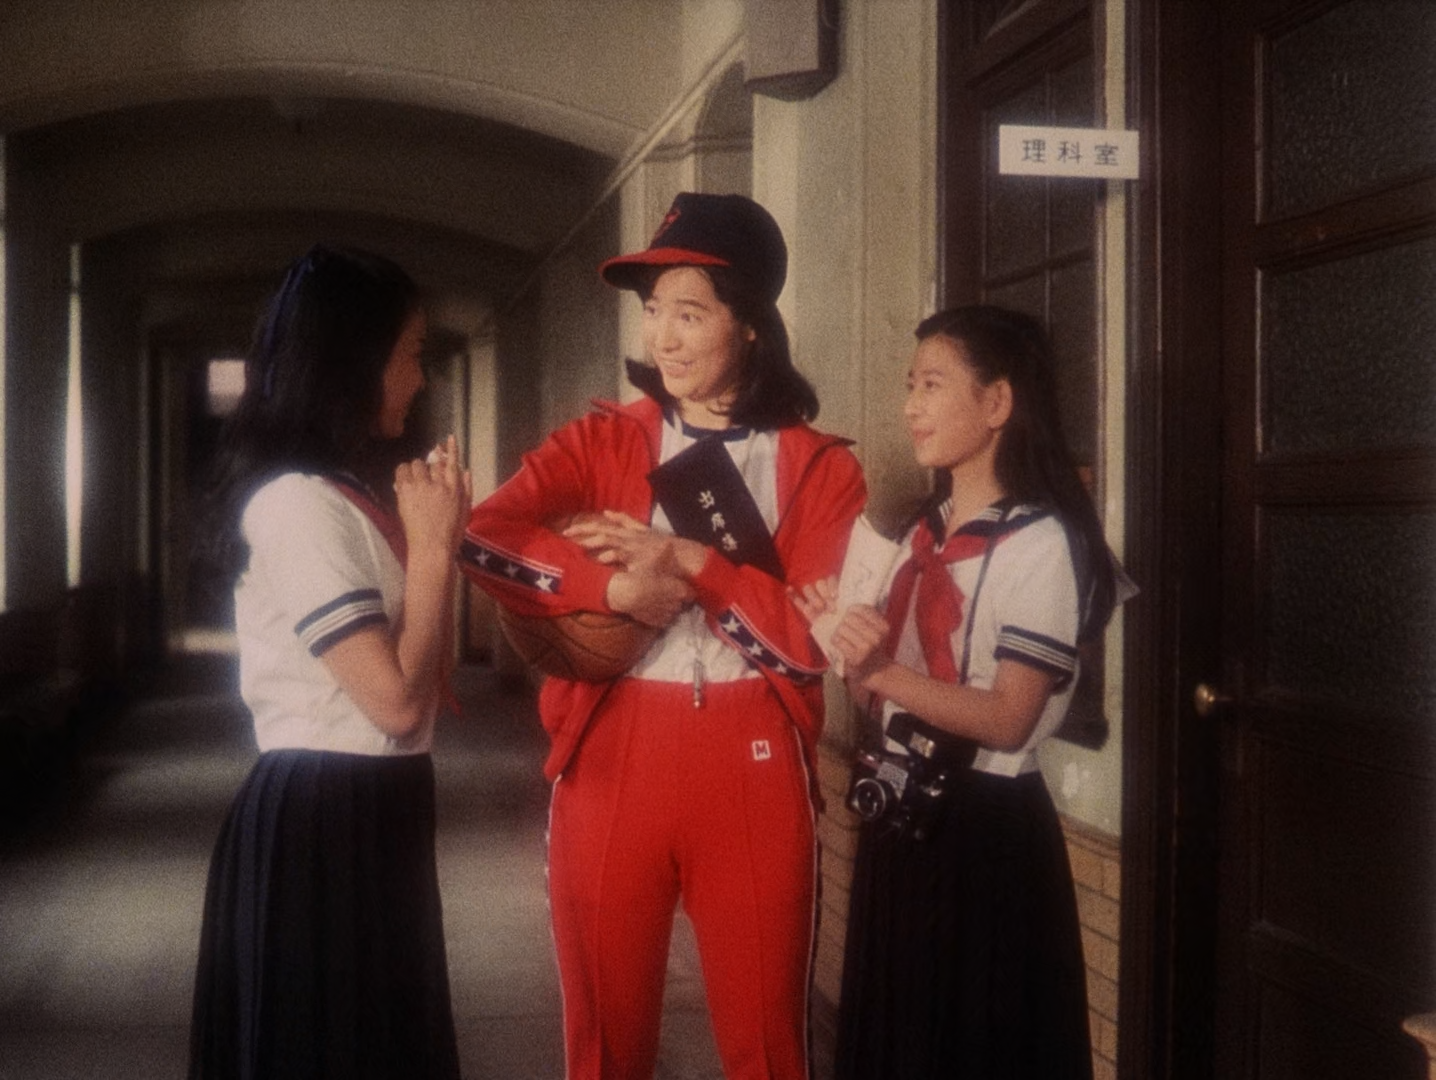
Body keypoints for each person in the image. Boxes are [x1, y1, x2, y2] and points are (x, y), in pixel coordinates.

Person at [461, 192, 867, 1080]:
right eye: (653, 312)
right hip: (612, 757)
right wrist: (610, 587)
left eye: (690, 313)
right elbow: (482, 536)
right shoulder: (602, 440)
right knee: (604, 1049)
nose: (664, 338)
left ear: (748, 323)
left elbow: (806, 650)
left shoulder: (821, 467)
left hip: (753, 762)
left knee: (768, 1052)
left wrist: (694, 562)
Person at [796, 305, 1120, 1080]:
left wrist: (881, 671)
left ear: (997, 402)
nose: (910, 405)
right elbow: (884, 702)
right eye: (910, 384)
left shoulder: (1041, 542)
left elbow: (1008, 719)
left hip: (985, 835)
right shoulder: (918, 534)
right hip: (903, 816)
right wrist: (847, 646)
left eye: (932, 385)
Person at [188, 244, 470, 1080]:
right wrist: (431, 552)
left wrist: (440, 547)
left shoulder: (341, 492)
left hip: (372, 802)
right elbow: (395, 704)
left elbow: (424, 680)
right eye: (411, 354)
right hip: (324, 815)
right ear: (355, 362)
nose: (419, 378)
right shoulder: (296, 505)